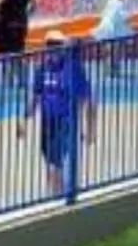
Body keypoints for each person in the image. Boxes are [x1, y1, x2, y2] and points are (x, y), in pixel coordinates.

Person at [16, 30, 94, 195]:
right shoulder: (41, 68)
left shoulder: (72, 67)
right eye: (50, 45)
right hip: (47, 121)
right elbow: (35, 97)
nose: (53, 49)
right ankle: (59, 193)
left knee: (54, 162)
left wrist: (87, 127)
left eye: (57, 45)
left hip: (65, 120)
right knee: (50, 160)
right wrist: (24, 119)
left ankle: (55, 198)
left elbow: (87, 99)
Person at [94, 0, 135, 74]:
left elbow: (113, 4)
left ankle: (110, 66)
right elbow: (118, 5)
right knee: (115, 45)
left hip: (113, 18)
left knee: (112, 45)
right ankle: (113, 66)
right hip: (115, 20)